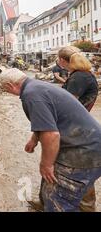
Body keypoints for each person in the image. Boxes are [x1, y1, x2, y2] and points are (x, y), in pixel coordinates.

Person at [0, 68, 101, 212]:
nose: (5, 91)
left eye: (4, 88)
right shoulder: (36, 86)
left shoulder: (31, 95)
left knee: (60, 199)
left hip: (83, 151)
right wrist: (34, 138)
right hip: (91, 144)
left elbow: (51, 135)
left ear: (10, 85)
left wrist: (46, 164)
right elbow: (48, 121)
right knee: (74, 186)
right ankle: (47, 204)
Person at [57, 46, 99, 211]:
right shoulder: (84, 75)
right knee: (65, 162)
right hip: (80, 124)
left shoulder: (78, 78)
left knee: (82, 166)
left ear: (63, 60)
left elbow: (69, 103)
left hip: (75, 126)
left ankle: (87, 206)